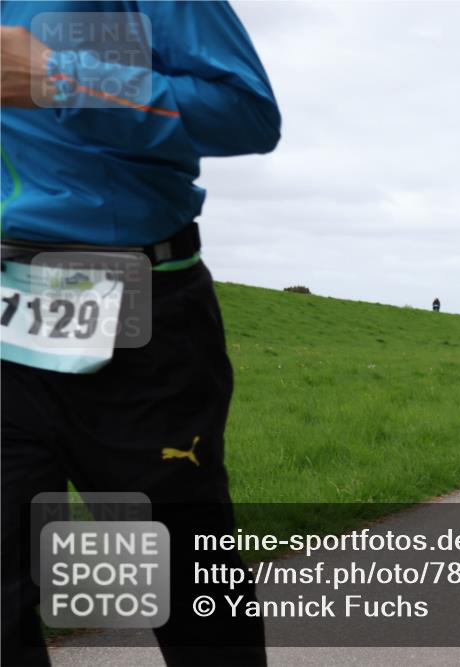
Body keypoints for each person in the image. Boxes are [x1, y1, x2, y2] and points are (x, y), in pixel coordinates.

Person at [1, 4, 280, 665]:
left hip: (139, 310)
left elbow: (247, 114)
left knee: (183, 585)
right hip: (5, 312)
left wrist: (59, 78)